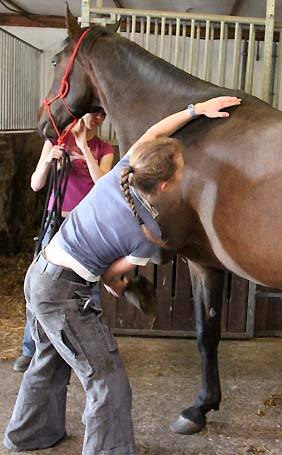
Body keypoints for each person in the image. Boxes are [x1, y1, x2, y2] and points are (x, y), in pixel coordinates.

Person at [3, 95, 241, 454]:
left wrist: (194, 111)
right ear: (164, 187)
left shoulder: (123, 172)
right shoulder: (147, 235)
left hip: (40, 274)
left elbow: (158, 131)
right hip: (64, 293)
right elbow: (114, 278)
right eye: (180, 169)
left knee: (49, 360)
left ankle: (29, 434)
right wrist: (132, 290)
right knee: (108, 382)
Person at [13, 111, 114, 373]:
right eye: (92, 113)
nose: (96, 119)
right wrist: (49, 160)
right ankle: (30, 349)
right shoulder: (56, 141)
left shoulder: (105, 148)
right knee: (40, 283)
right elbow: (36, 183)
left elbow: (103, 184)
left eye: (101, 115)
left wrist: (83, 148)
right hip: (56, 220)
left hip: (87, 226)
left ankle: (90, 349)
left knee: (88, 289)